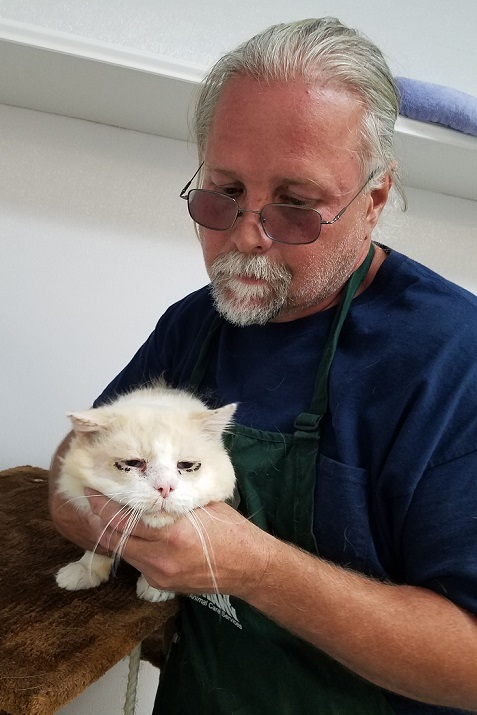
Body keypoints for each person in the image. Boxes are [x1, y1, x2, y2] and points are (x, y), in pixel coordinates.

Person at [49, 17, 477, 715]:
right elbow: (73, 461)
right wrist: (129, 522)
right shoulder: (195, 323)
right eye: (221, 195)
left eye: (295, 207)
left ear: (372, 200)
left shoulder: (452, 363)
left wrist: (257, 568)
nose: (245, 237)